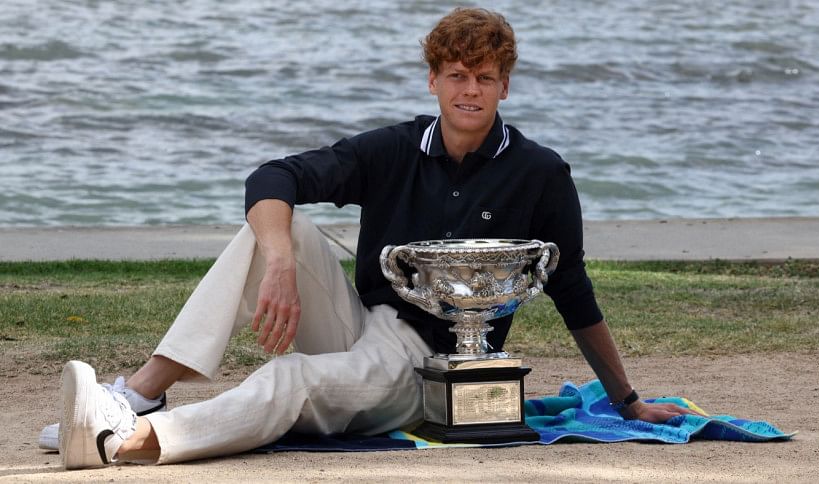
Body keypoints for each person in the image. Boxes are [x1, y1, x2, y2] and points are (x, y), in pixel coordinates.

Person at [52, 8, 698, 470]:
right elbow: (274, 175)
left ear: (505, 85)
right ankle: (139, 394)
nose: (469, 90)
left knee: (291, 379)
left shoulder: (540, 172)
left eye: (484, 77)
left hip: (427, 365)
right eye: (457, 75)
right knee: (281, 225)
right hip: (361, 322)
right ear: (433, 80)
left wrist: (627, 401)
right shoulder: (394, 148)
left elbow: (572, 287)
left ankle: (119, 443)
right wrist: (280, 263)